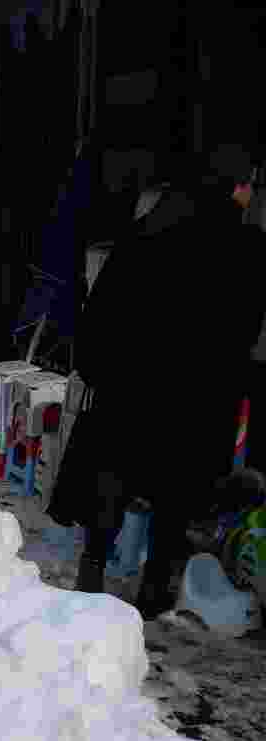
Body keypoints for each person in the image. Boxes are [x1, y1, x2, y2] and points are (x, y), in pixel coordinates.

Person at [71, 143, 266, 619]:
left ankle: (92, 570)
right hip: (199, 398)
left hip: (129, 390)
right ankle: (154, 587)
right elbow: (246, 330)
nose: (250, 193)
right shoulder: (247, 249)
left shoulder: (144, 236)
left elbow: (99, 315)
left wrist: (95, 368)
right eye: (249, 184)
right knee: (175, 495)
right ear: (236, 187)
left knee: (114, 479)